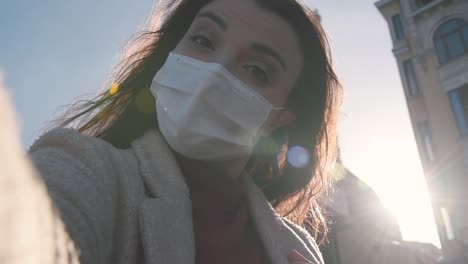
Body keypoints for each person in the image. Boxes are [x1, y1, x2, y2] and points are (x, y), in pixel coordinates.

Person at [17, 0, 341, 263]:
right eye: (202, 40)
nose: (215, 73)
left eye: (257, 71)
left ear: (281, 118)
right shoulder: (84, 170)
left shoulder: (299, 249)